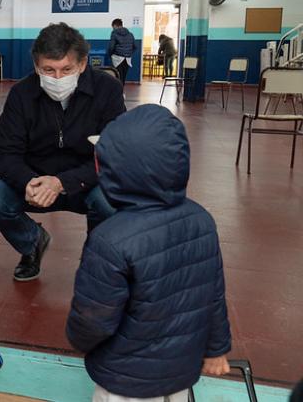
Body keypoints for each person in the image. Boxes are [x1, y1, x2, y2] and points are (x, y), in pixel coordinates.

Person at [66, 105, 231, 402]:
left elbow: (93, 318)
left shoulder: (110, 240)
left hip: (124, 379)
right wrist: (216, 348)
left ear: (115, 171)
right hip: (180, 370)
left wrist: (79, 340)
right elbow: (213, 292)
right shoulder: (202, 220)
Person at [0, 23, 126, 281]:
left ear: (82, 64)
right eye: (48, 70)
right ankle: (32, 242)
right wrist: (28, 181)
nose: (57, 79)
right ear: (37, 67)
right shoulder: (21, 94)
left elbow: (114, 155)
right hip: (35, 183)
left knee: (111, 200)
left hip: (86, 183)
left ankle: (96, 259)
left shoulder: (108, 90)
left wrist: (62, 183)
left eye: (66, 70)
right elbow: (3, 153)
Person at [107, 19, 135, 84]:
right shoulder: (130, 34)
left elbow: (111, 47)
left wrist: (110, 54)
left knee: (117, 77)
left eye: (113, 27)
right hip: (127, 59)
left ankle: (118, 93)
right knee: (123, 78)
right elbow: (135, 46)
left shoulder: (114, 33)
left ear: (115, 25)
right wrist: (128, 53)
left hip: (117, 58)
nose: (113, 29)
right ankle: (121, 92)